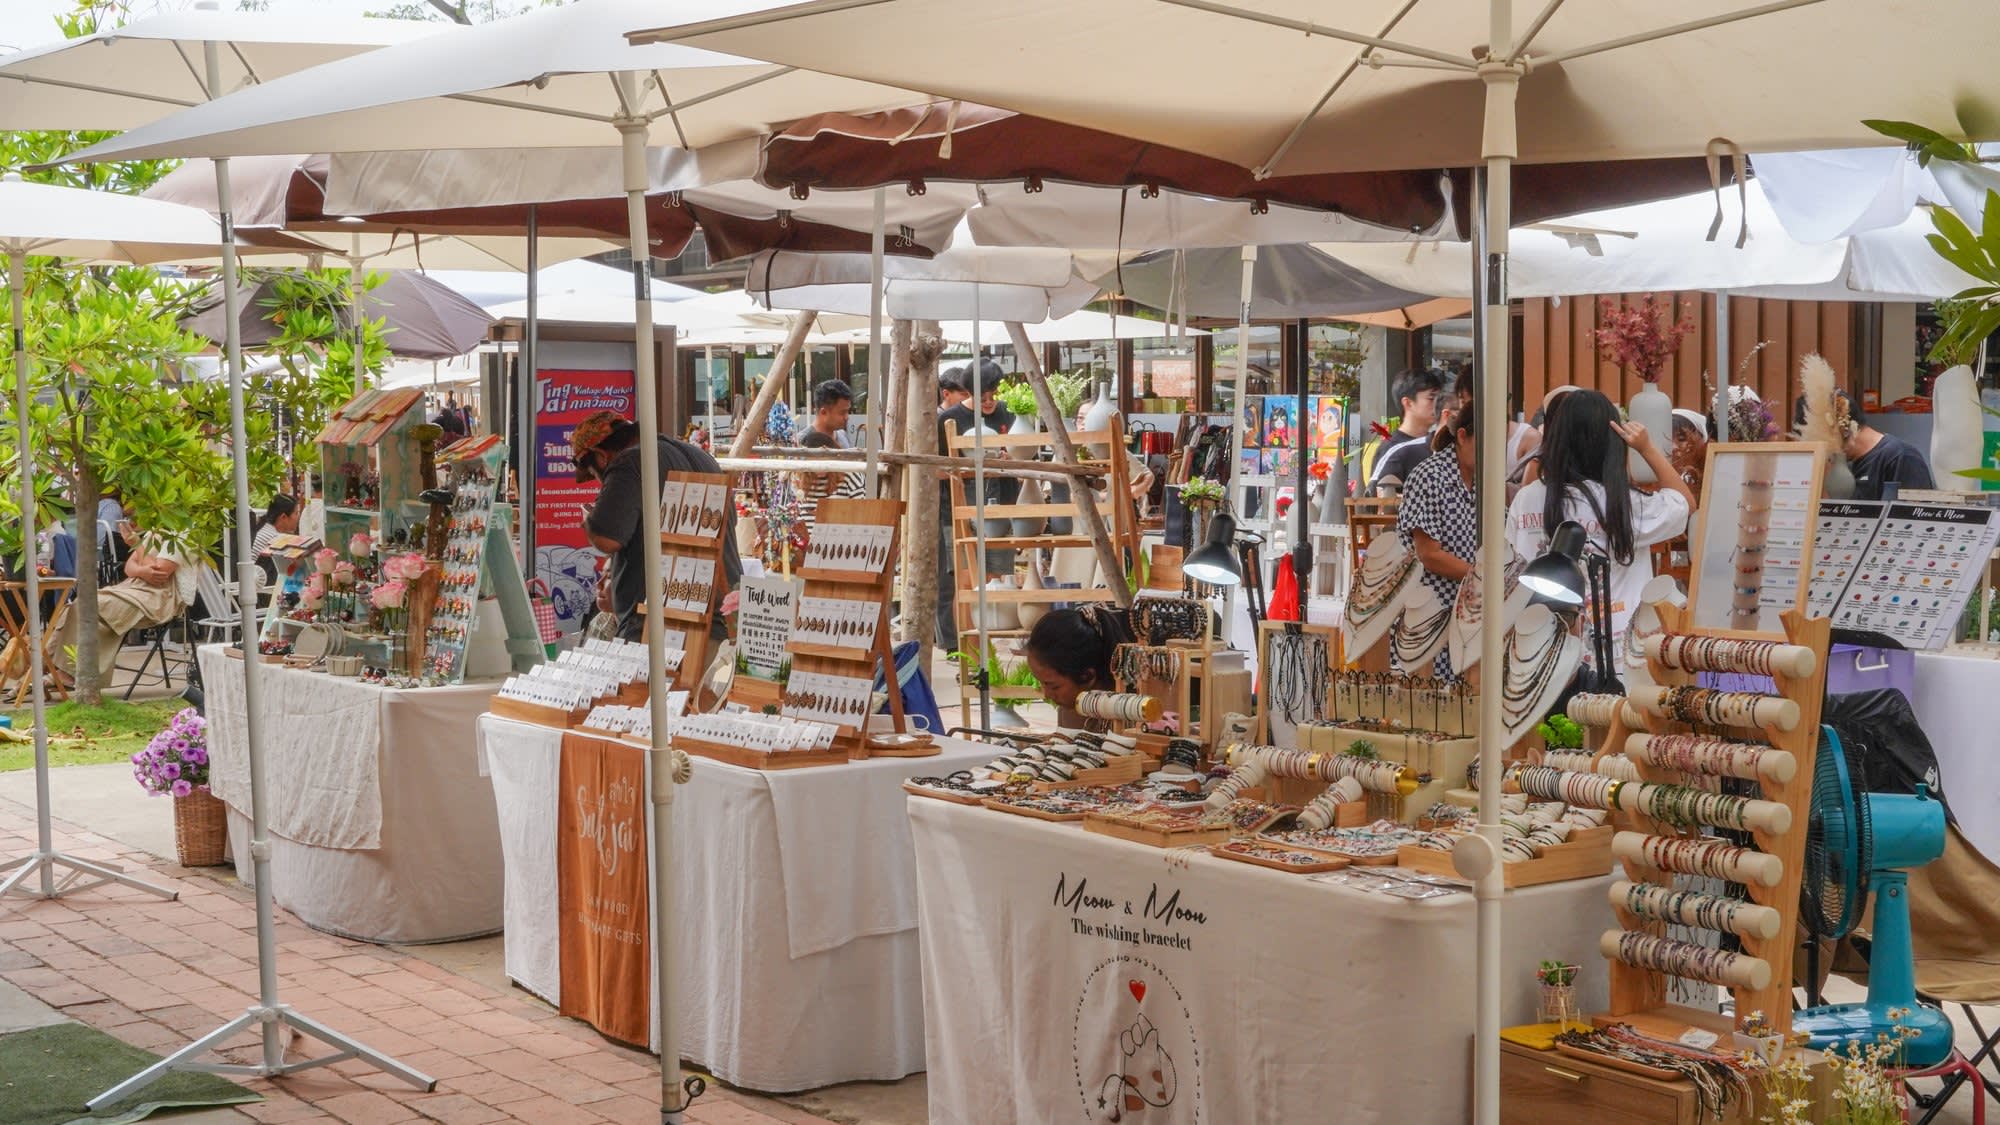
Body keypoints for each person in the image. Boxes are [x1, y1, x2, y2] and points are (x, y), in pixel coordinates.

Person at [1505, 389, 1693, 657]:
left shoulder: (1527, 498)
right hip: (1618, 651)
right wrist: (1646, 449)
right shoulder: (1625, 503)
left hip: (1542, 649)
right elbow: (1686, 504)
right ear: (1611, 445)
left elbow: (1511, 568)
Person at [573, 410, 742, 642]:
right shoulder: (700, 456)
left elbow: (606, 538)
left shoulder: (629, 462)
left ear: (601, 457)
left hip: (658, 627)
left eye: (594, 474)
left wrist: (588, 520)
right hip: (722, 617)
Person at [936, 360, 1018, 649]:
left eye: (993, 393)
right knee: (966, 583)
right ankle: (967, 652)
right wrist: (965, 468)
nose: (989, 400)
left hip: (1002, 506)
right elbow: (934, 468)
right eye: (983, 395)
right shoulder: (950, 419)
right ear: (969, 391)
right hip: (958, 511)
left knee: (996, 579)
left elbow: (1023, 455)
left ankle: (991, 651)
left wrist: (1010, 459)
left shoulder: (1009, 413)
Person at [1398, 402, 1480, 674]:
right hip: (1429, 614)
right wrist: (1483, 579)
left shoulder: (1484, 483)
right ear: (1463, 436)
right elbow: (1429, 554)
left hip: (1468, 616)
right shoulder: (1429, 476)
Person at [78, 534, 195, 680]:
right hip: (132, 588)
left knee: (93, 608)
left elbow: (159, 572)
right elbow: (128, 567)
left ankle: (80, 675)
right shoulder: (155, 531)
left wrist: (137, 544)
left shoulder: (183, 534)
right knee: (79, 604)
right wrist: (142, 571)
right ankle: (57, 671)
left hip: (159, 597)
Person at [1796, 388, 1933, 501]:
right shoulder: (1841, 465)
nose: (1822, 450)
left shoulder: (1900, 458)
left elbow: (1915, 518)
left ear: (1840, 428)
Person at [1023, 605, 1136, 732]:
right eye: (1041, 683)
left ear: (1087, 676)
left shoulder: (1131, 716)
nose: (1047, 694)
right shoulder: (1070, 708)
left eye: (1054, 687)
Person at [1365, 367, 1447, 493]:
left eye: (1440, 399)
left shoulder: (1441, 444)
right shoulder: (1392, 449)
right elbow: (1376, 497)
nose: (1438, 404)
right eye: (1431, 399)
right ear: (1408, 403)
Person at [251, 494, 302, 590]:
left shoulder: (264, 528)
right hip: (258, 587)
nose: (298, 517)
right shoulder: (275, 538)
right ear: (283, 517)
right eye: (296, 513)